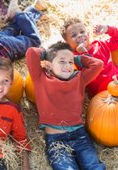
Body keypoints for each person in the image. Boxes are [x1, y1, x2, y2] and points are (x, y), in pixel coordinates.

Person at [26, 41, 105, 170]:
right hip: (56, 141)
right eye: (62, 61)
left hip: (80, 136)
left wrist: (75, 58)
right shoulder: (40, 78)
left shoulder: (79, 78)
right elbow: (31, 53)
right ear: (49, 65)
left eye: (70, 62)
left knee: (94, 166)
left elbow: (98, 64)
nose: (67, 65)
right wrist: (47, 54)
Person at [60, 17, 118, 97]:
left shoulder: (100, 44)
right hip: (104, 95)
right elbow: (89, 73)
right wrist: (83, 52)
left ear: (88, 34)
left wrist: (107, 29)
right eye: (74, 35)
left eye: (82, 32)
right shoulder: (74, 58)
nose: (79, 35)